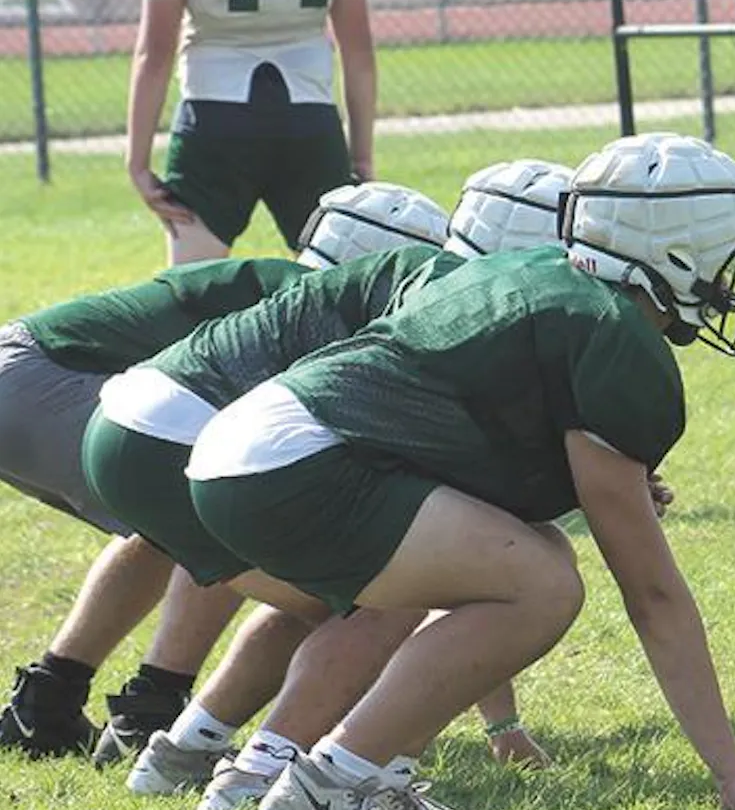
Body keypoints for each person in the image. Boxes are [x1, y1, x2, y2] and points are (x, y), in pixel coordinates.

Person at [184, 132, 735, 810]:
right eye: (724, 257)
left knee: (532, 554)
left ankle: (366, 778)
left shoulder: (542, 278)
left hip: (253, 448)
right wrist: (733, 775)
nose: (728, 281)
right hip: (300, 458)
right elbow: (653, 594)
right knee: (543, 585)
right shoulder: (614, 337)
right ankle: (327, 791)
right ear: (680, 251)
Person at [84, 161, 572, 810]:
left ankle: (186, 752)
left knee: (330, 590)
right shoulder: (462, 312)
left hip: (129, 424)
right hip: (188, 437)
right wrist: (501, 723)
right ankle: (270, 777)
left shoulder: (417, 285)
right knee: (386, 596)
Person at [0, 182, 447, 763]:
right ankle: (153, 705)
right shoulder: (311, 306)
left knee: (167, 524)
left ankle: (47, 704)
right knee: (230, 499)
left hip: (27, 381)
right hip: (41, 384)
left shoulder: (276, 283)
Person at [124, 0, 377, 264]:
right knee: (336, 288)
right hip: (309, 118)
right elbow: (358, 49)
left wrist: (137, 161)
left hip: (213, 117)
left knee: (194, 296)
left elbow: (155, 52)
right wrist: (362, 156)